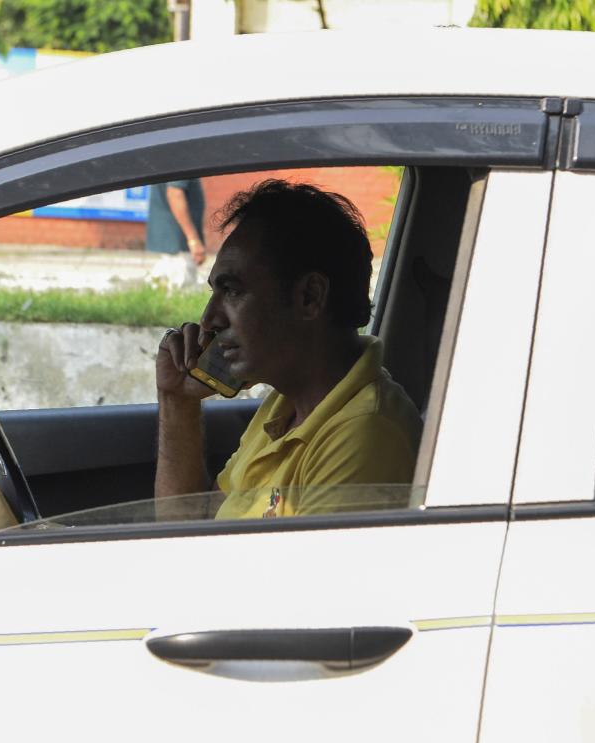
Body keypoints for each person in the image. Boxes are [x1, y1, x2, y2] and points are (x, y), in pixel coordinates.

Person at [154, 179, 422, 518]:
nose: (209, 319)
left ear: (309, 297)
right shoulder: (284, 408)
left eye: (233, 291)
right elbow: (190, 529)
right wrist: (177, 400)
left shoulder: (365, 435)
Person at [146, 179, 206, 289]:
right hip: (178, 245)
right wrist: (193, 240)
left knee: (164, 290)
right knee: (181, 291)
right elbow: (175, 194)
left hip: (172, 242)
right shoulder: (182, 161)